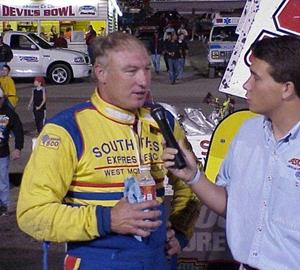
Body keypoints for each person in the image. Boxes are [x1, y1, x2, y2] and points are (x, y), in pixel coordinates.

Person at [162, 35, 300, 270]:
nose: (246, 85)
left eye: (256, 77)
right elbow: (232, 205)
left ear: (286, 89)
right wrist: (193, 177)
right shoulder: (246, 132)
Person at [17, 32, 200, 270]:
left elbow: (191, 186)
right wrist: (107, 219)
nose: (143, 81)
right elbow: (32, 215)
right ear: (100, 73)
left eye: (147, 69)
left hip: (159, 260)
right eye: (131, 71)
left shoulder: (163, 121)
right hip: (97, 261)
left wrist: (180, 232)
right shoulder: (66, 129)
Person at [0, 87, 23, 216]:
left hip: (2, 153)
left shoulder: (9, 113)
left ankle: (4, 206)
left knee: (2, 180)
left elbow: (18, 130)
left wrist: (18, 148)